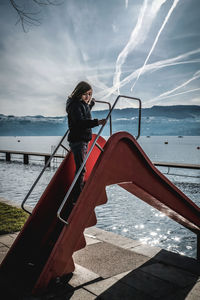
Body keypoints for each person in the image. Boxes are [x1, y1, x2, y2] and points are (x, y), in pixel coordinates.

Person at [66, 81, 106, 204]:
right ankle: (77, 198)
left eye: (89, 94)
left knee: (81, 168)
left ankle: (77, 195)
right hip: (78, 141)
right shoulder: (75, 105)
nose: (87, 97)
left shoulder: (80, 104)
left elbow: (85, 110)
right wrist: (97, 122)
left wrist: (91, 104)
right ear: (78, 93)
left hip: (82, 140)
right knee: (81, 170)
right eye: (85, 94)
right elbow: (80, 122)